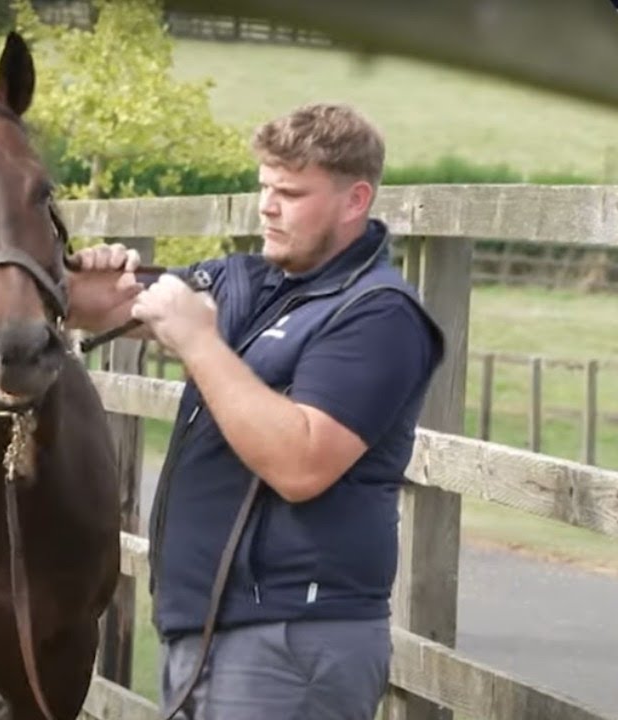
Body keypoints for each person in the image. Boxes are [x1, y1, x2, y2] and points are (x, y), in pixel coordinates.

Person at [66, 102, 445, 719]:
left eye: (290, 193)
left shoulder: (379, 314)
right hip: (205, 629)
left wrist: (197, 342)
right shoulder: (246, 283)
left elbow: (302, 464)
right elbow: (99, 304)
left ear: (355, 201)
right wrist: (77, 274)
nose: (267, 206)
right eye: (264, 186)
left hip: (291, 641)